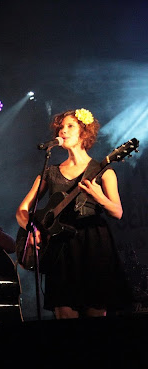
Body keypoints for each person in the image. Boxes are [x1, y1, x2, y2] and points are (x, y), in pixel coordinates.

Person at [16, 108, 130, 319]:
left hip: (93, 244)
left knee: (95, 314)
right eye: (61, 127)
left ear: (84, 133)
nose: (63, 131)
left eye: (70, 126)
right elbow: (22, 211)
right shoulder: (50, 172)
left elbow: (118, 212)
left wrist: (99, 197)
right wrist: (31, 228)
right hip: (60, 248)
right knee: (64, 316)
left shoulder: (105, 170)